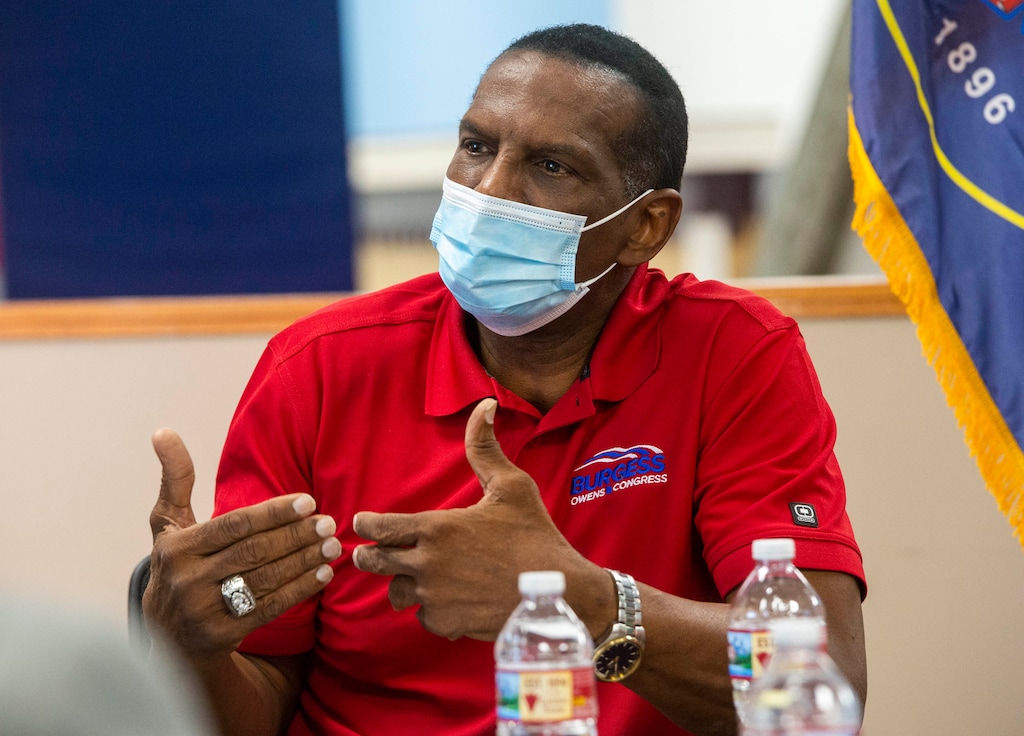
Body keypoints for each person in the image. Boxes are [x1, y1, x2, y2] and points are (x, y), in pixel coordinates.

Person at [143, 23, 867, 736]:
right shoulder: (319, 369)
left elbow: (822, 685)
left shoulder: (732, 353)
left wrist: (586, 600)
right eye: (476, 146)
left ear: (646, 226)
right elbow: (264, 696)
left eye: (551, 166)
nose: (489, 190)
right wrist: (187, 649)